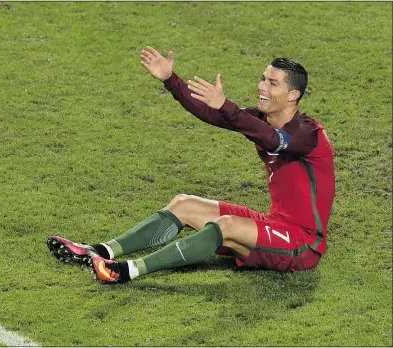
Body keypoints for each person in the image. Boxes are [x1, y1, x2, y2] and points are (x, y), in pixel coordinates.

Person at [47, 46, 335, 283]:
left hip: (302, 242)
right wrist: (171, 80)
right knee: (184, 204)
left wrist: (227, 106)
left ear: (293, 95)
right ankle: (99, 250)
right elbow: (214, 115)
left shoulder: (308, 133)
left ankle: (127, 271)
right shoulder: (260, 119)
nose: (261, 86)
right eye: (263, 78)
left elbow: (273, 139)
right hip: (275, 223)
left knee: (226, 225)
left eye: (272, 83)